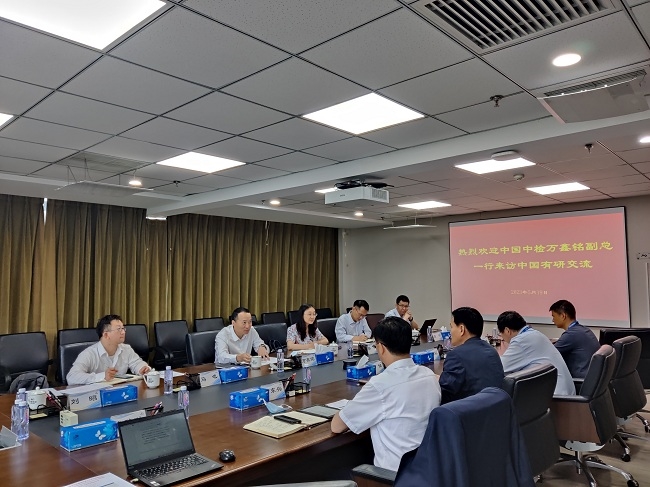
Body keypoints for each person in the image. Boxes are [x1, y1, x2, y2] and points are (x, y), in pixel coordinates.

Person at [331, 317, 441, 471]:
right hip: (429, 470)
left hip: (394, 476)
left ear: (380, 348)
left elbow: (337, 426)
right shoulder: (429, 375)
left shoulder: (380, 385)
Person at [497, 310, 575, 395]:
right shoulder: (534, 334)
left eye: (501, 334)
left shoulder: (521, 341)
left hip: (556, 397)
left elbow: (499, 367)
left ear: (507, 330)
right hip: (563, 392)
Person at [438, 307, 504, 404]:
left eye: (452, 327)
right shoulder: (491, 350)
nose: (450, 332)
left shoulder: (456, 355)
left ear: (461, 329)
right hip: (494, 407)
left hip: (469, 410)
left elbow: (444, 393)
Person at [66, 314, 151, 385]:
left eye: (123, 328)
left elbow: (136, 363)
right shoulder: (89, 354)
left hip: (121, 392)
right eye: (119, 329)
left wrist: (142, 368)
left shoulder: (126, 349)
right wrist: (102, 376)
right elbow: (71, 377)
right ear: (106, 335)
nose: (123, 332)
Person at [550, 299, 600, 378]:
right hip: (590, 377)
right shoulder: (583, 330)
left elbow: (550, 354)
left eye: (553, 316)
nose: (552, 320)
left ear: (563, 316)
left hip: (580, 381)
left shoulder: (571, 334)